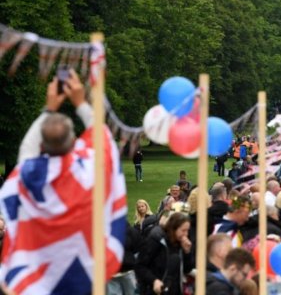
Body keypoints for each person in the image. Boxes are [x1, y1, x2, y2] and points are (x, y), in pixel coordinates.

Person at [0, 70, 127, 294]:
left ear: (43, 143)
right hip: (82, 276)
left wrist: (49, 108)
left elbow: (26, 149)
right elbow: (103, 138)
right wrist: (80, 102)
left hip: (39, 280)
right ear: (72, 141)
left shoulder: (28, 175)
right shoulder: (90, 171)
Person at [135, 212, 194, 295]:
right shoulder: (156, 239)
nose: (186, 234)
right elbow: (140, 266)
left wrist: (187, 252)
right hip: (154, 290)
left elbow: (187, 269)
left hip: (174, 290)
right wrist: (154, 280)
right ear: (173, 228)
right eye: (183, 230)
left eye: (187, 230)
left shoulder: (180, 243)